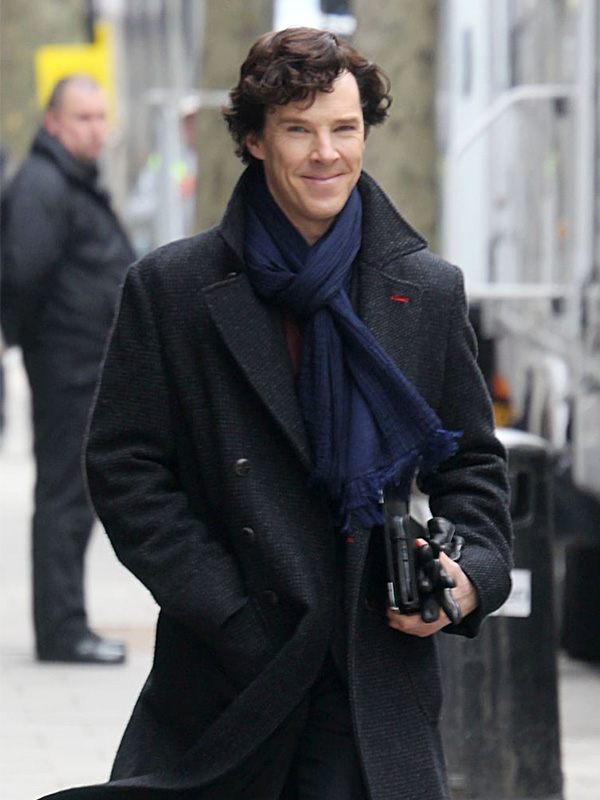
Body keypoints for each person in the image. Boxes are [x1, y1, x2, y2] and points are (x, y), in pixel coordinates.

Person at [39, 29, 513, 800]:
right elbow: (123, 468)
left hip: (371, 671)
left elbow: (473, 465)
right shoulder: (172, 288)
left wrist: (466, 582)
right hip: (232, 671)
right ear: (256, 140)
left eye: (344, 128)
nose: (326, 153)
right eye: (299, 129)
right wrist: (227, 611)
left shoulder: (426, 290)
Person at [1, 75, 135, 664]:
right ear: (53, 121)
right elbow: (23, 272)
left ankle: (66, 625)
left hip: (84, 361)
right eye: (83, 117)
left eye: (101, 116)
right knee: (65, 495)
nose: (95, 129)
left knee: (74, 496)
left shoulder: (67, 180)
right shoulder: (44, 183)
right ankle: (61, 631)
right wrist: (41, 342)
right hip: (69, 365)